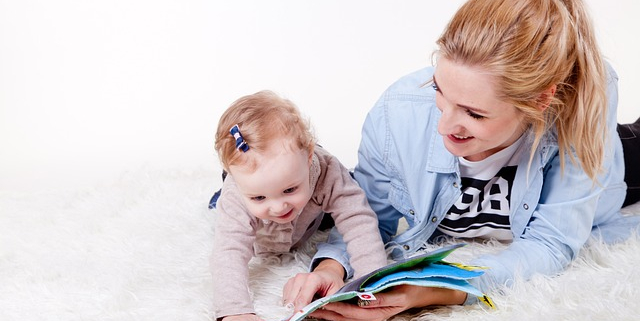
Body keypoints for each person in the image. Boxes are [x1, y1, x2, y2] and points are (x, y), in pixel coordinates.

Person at [281, 0, 640, 320]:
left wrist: (440, 290)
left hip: (620, 164)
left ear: (542, 102)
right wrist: (332, 267)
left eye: (474, 113)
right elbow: (367, 214)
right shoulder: (397, 114)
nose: (443, 125)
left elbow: (550, 244)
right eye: (439, 89)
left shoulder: (580, 108)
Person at [209, 90, 388, 321]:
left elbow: (358, 219)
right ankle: (225, 197)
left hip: (310, 215)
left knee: (349, 192)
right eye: (259, 198)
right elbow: (229, 251)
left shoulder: (325, 169)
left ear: (309, 155)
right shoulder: (236, 193)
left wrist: (372, 281)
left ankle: (311, 190)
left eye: (289, 189)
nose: (278, 207)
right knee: (219, 206)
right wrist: (236, 312)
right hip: (256, 221)